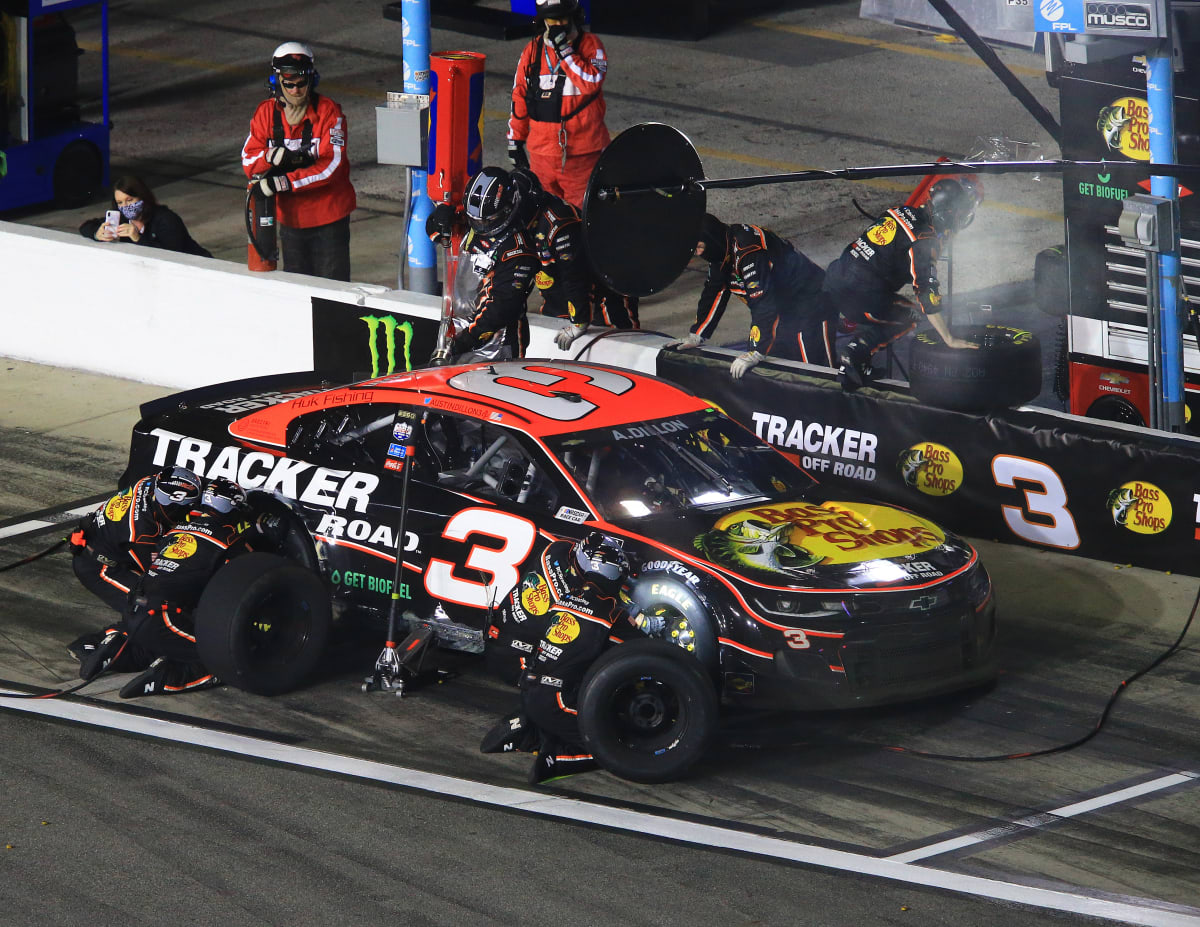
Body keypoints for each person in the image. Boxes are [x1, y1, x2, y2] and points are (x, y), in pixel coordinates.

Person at [74, 478, 277, 698]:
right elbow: (254, 580)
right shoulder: (230, 542)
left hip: (134, 609)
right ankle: (169, 676)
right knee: (230, 656)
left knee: (164, 638)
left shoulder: (174, 531)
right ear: (233, 510)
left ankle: (117, 645)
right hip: (163, 616)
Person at [481, 531, 652, 785]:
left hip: (505, 646)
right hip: (519, 660)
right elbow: (622, 634)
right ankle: (559, 756)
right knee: (618, 736)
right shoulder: (593, 606)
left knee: (569, 661)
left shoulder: (558, 550)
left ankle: (530, 728)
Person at [828, 176, 983, 390]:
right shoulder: (925, 240)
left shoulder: (899, 211)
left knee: (875, 289)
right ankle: (856, 352)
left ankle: (855, 350)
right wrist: (948, 338)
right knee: (910, 315)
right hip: (858, 297)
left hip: (833, 279)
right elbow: (926, 292)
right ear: (948, 212)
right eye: (958, 213)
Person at [241, 41, 356, 281]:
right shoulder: (265, 113)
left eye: (301, 84)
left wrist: (283, 182)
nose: (295, 90)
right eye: (289, 84)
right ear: (277, 82)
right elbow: (248, 160)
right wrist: (268, 156)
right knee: (297, 286)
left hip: (329, 218)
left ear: (311, 81)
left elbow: (331, 166)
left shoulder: (329, 113)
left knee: (332, 290)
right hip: (291, 222)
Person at [666, 214, 834, 379]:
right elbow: (714, 290)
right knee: (775, 367)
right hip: (784, 310)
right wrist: (697, 334)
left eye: (699, 247)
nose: (698, 253)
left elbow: (763, 304)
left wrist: (756, 350)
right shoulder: (722, 249)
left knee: (817, 373)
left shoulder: (749, 251)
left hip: (812, 304)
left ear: (711, 239)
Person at [66, 466, 204, 665]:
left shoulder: (151, 482)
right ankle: (92, 644)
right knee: (148, 607)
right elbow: (159, 576)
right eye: (187, 509)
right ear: (172, 506)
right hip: (101, 569)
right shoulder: (142, 533)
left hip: (105, 545)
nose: (189, 513)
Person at [429, 166, 540, 364]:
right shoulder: (471, 221)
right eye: (475, 220)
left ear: (507, 210)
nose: (479, 226)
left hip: (498, 342)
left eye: (486, 221)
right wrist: (439, 218)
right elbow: (436, 233)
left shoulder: (518, 250)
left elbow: (502, 307)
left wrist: (464, 341)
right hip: (458, 328)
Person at [507, 0, 610, 208]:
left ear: (574, 17)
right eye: (552, 20)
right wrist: (514, 141)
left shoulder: (591, 45)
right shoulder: (532, 50)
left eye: (562, 19)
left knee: (583, 214)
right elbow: (520, 96)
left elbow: (592, 81)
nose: (557, 25)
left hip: (581, 155)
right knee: (542, 213)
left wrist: (565, 52)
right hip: (541, 155)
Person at [78, 176, 212, 257]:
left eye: (129, 200)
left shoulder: (166, 219)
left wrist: (138, 238)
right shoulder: (122, 219)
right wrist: (98, 234)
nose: (125, 206)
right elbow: (85, 226)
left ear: (142, 197)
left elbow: (171, 255)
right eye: (120, 202)